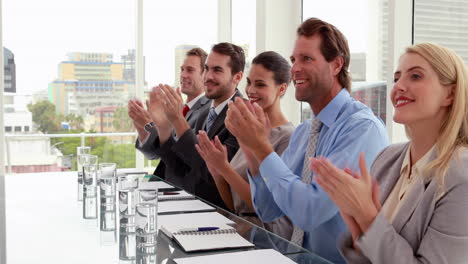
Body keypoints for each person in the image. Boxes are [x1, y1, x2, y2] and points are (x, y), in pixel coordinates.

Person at [224, 18, 389, 263]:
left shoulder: (361, 128)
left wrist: (261, 147)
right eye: (294, 60)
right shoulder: (304, 133)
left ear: (336, 65)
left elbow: (309, 212)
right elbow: (270, 209)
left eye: (307, 59)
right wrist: (250, 147)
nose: (295, 69)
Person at [311, 43, 468, 263]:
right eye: (396, 78)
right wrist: (358, 230)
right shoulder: (388, 157)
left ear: (450, 94)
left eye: (415, 76)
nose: (399, 87)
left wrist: (367, 218)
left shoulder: (461, 174)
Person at [195, 51, 295, 240]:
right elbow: (235, 205)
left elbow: (264, 205)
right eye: (249, 82)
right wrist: (218, 171)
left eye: (260, 84)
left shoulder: (288, 138)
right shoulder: (252, 131)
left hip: (266, 238)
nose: (250, 90)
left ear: (281, 89)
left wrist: (224, 168)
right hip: (240, 228)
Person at [150, 42, 245, 209]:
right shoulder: (205, 113)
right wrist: (164, 127)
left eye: (217, 70)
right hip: (192, 210)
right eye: (207, 69)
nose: (207, 76)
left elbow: (211, 176)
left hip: (220, 218)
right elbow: (181, 167)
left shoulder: (242, 117)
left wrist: (178, 120)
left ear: (237, 77)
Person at [128, 48, 209, 188]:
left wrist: (150, 124)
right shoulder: (178, 108)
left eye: (190, 70)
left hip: (179, 190)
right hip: (158, 186)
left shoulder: (207, 111)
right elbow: (154, 154)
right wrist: (142, 128)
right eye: (182, 69)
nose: (183, 75)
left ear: (205, 75)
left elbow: (187, 158)